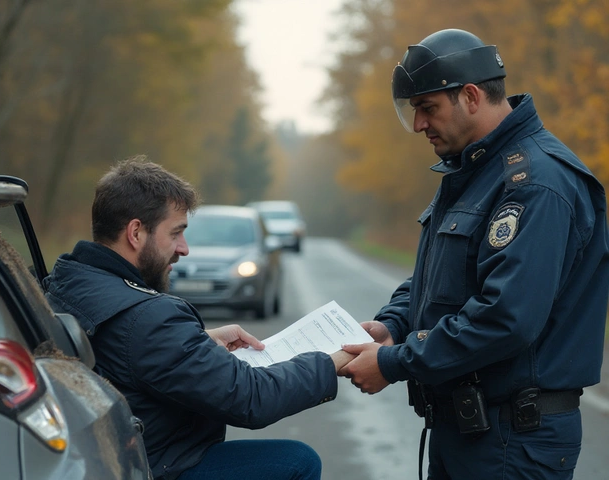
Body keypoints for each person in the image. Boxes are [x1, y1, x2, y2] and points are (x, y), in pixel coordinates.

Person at [339, 28, 609, 480]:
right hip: (470, 428)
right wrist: (394, 323)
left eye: (428, 108)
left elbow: (506, 317)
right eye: (415, 111)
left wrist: (394, 362)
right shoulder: (477, 171)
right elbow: (442, 277)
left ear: (469, 96)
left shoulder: (536, 184)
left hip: (513, 437)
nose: (419, 124)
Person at [43, 156, 353, 480]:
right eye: (175, 233)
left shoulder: (68, 281)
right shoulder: (148, 317)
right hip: (157, 466)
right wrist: (332, 361)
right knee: (297, 462)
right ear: (136, 233)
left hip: (121, 454)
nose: (184, 248)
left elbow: (127, 354)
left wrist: (197, 342)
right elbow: (250, 398)